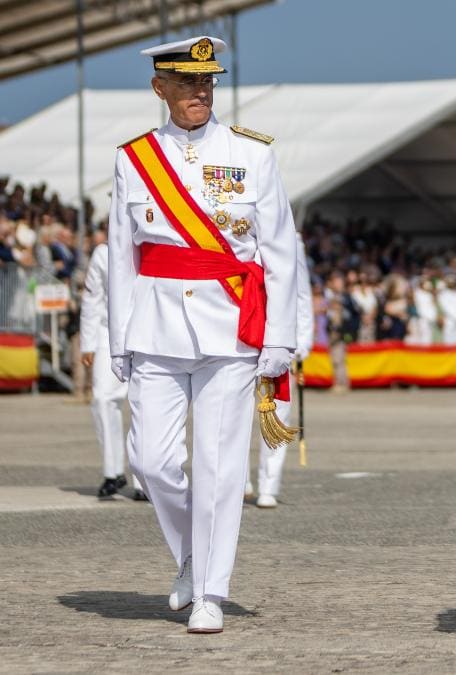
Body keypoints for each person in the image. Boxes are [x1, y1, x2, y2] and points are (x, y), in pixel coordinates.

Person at [107, 36, 298, 634]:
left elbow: (281, 252)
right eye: (188, 84)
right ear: (159, 87)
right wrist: (119, 338)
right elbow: (121, 252)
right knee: (151, 461)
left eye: (208, 82)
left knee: (219, 466)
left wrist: (279, 339)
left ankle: (212, 589)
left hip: (230, 326)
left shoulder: (253, 154)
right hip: (156, 323)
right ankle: (191, 553)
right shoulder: (133, 158)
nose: (200, 92)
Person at [79, 227, 147, 501]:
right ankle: (112, 471)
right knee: (102, 399)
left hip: (147, 331)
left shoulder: (152, 245)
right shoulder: (103, 253)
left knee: (146, 404)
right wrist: (88, 342)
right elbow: (92, 299)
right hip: (109, 334)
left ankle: (144, 479)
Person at [246, 232, 313, 508]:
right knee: (231, 413)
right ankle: (238, 480)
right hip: (239, 333)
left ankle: (269, 485)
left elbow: (301, 294)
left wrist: (302, 341)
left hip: (276, 338)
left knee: (275, 414)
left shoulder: (290, 240)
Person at [437, 271, 456, 345]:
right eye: (450, 282)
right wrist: (455, 316)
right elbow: (445, 307)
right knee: (447, 341)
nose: (452, 283)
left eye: (453, 282)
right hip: (449, 320)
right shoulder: (443, 294)